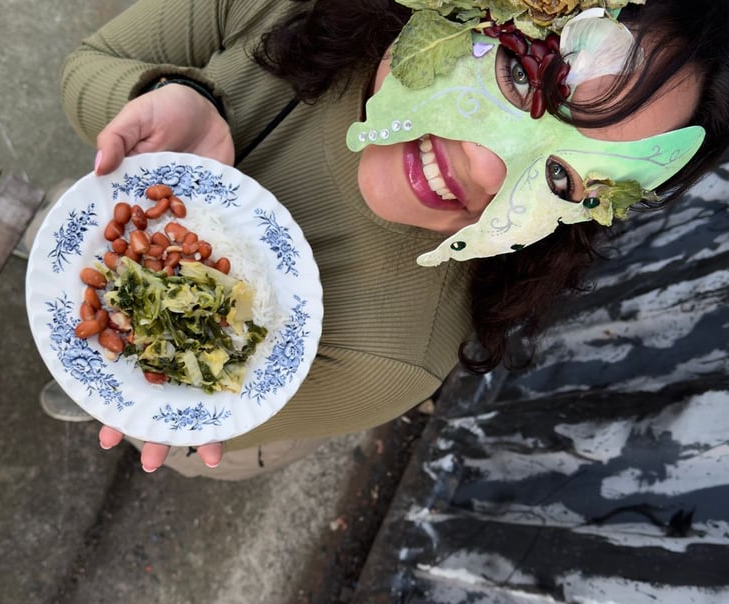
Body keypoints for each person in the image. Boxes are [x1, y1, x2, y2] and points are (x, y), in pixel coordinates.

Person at [57, 0, 729, 478]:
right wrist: (163, 93)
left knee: (111, 392)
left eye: (560, 175)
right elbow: (96, 63)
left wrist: (160, 401)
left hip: (263, 417)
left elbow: (175, 392)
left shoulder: (389, 356)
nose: (488, 171)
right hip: (113, 217)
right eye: (521, 74)